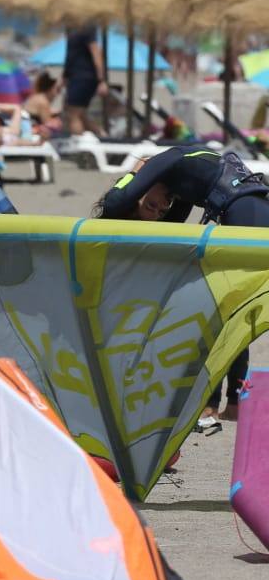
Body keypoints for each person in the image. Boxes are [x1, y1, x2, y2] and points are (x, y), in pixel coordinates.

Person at [95, 145, 269, 421]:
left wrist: (135, 173)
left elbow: (116, 202)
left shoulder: (166, 163)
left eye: (153, 204)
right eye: (158, 209)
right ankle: (233, 403)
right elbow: (171, 230)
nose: (163, 206)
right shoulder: (179, 183)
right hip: (251, 207)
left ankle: (217, 403)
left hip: (246, 208)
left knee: (228, 311)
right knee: (233, 309)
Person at [62, 26, 106, 136]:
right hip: (76, 76)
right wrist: (65, 76)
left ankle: (78, 144)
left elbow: (96, 52)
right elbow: (71, 57)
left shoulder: (87, 27)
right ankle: (102, 135)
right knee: (80, 114)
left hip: (84, 76)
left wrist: (101, 80)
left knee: (73, 113)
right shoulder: (72, 29)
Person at [25, 71, 63, 138]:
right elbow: (48, 123)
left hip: (28, 129)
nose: (58, 93)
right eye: (57, 89)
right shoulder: (43, 102)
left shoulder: (37, 97)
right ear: (49, 89)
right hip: (31, 134)